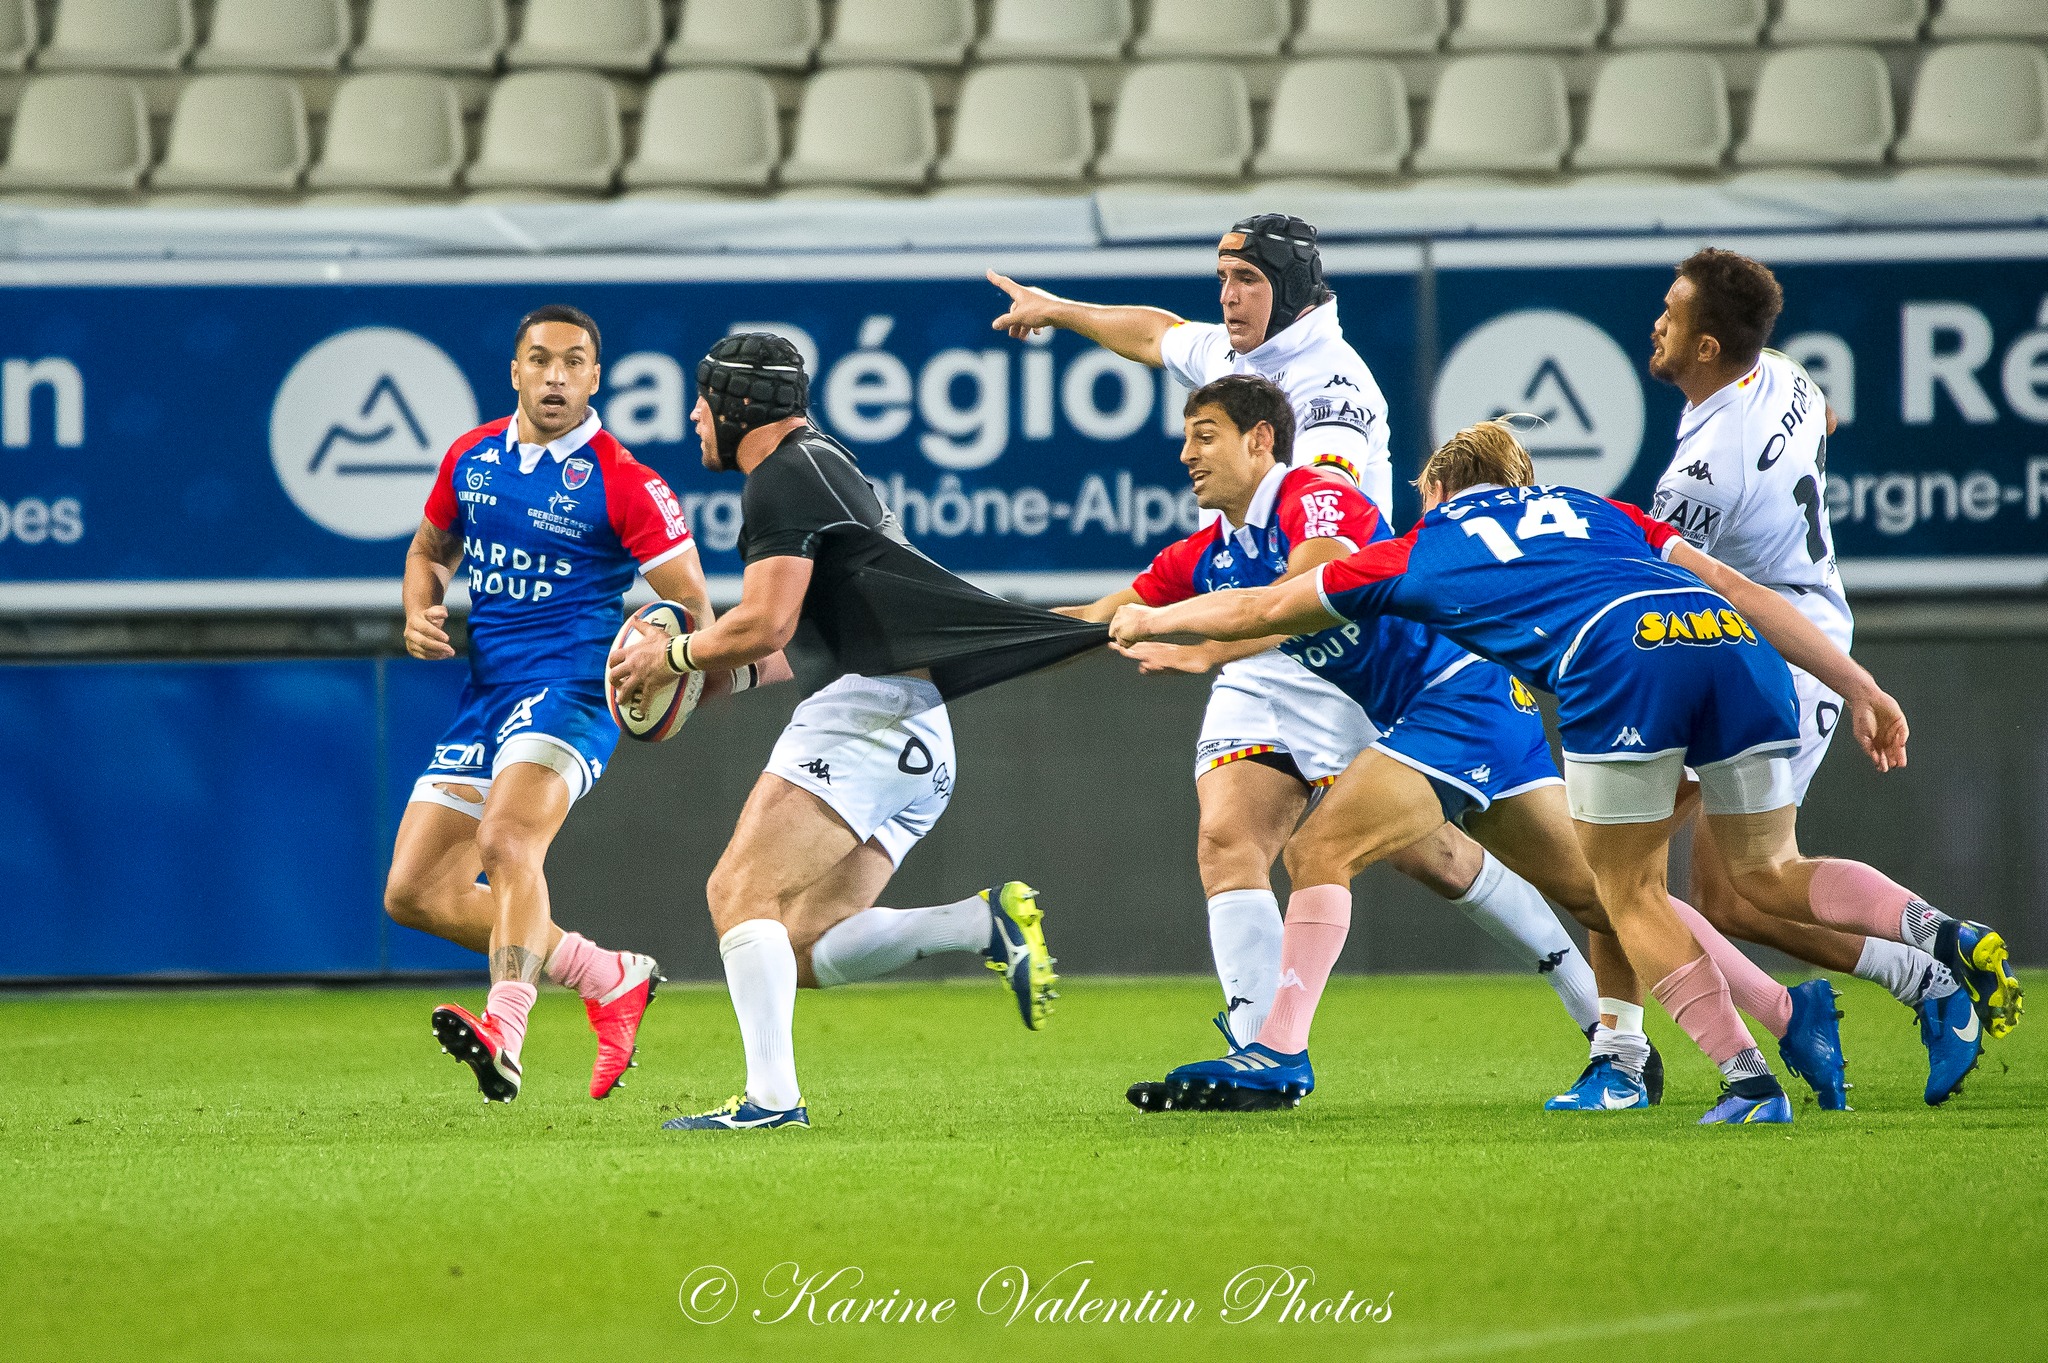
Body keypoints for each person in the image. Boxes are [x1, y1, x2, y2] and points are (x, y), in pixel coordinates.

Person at [1110, 420, 2022, 1126]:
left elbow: (1273, 606)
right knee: (1707, 881)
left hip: (1533, 686)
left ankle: (1281, 1048)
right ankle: (1838, 990)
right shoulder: (1593, 507)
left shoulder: (1418, 546)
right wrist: (1857, 683)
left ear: (1437, 489)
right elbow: (1740, 589)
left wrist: (1161, 625)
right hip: (1728, 646)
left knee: (1340, 854)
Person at [993, 215, 1612, 1066]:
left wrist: (1207, 639)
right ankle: (1260, 1048)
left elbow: (1320, 567)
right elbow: (1157, 334)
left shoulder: (1333, 392)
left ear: (1288, 286)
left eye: (1245, 280)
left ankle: (1606, 1010)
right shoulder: (1239, 364)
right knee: (1229, 837)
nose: (1228, 297)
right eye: (1222, 278)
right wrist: (1058, 310)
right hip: (1256, 625)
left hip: (1336, 641)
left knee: (1434, 854)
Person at [1070, 375, 1744, 1112]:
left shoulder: (1317, 498)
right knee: (1606, 893)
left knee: (1319, 850)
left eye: (1204, 435)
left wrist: (1197, 638)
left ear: (1260, 440)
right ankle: (1773, 1012)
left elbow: (1300, 590)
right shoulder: (1208, 555)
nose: (1186, 453)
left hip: (1450, 696)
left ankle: (1278, 1049)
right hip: (1472, 704)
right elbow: (1111, 610)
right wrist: (986, 630)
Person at [606, 334, 1105, 1131]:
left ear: (739, 403)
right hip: (920, 735)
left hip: (868, 715)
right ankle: (982, 923)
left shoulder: (780, 477)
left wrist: (673, 655)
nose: (693, 412)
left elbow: (764, 622)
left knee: (739, 892)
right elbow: (795, 638)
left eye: (705, 396)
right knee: (802, 941)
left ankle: (772, 1101)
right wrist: (714, 671)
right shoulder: (816, 463)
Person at [1645, 247, 1989, 1105]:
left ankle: (1933, 958)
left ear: (1710, 348)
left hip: (1782, 650)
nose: (1658, 320)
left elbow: (1686, 586)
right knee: (1720, 893)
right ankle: (1908, 980)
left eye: (1673, 312)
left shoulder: (1701, 474)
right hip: (1783, 635)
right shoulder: (1786, 374)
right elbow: (1825, 420)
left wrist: (1858, 683)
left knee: (1668, 875)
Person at [391, 304, 712, 1103]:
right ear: (516, 372)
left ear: (596, 378)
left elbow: (694, 607)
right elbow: (430, 549)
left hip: (571, 689)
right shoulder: (470, 457)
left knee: (506, 842)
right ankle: (606, 975)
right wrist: (417, 607)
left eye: (574, 362)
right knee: (415, 892)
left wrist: (662, 662)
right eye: (541, 361)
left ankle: (506, 1030)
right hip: (487, 691)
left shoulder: (625, 480)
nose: (556, 376)